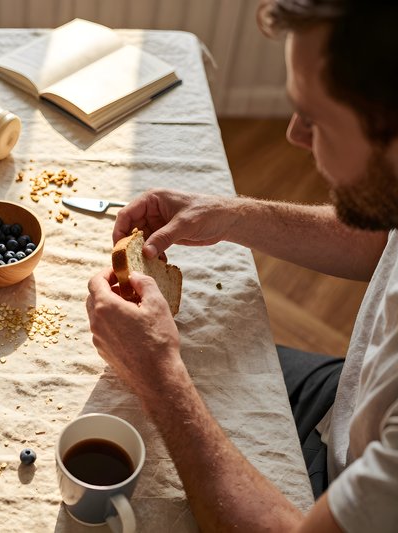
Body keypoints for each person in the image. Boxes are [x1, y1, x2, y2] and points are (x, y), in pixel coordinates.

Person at [85, 1, 398, 531]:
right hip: (350, 397)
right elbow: (381, 242)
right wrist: (233, 216)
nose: (294, 134)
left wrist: (160, 377)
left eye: (316, 119)